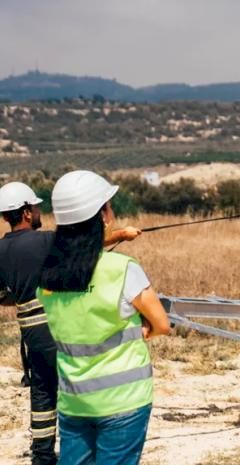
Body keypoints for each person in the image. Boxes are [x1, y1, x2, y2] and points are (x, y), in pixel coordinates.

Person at [0, 181, 142, 465]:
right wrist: (122, 236)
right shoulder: (45, 241)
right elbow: (81, 248)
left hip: (30, 332)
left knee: (42, 390)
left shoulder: (0, 251)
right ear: (26, 212)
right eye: (37, 207)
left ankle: (42, 455)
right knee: (72, 386)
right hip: (56, 325)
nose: (40, 212)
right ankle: (84, 447)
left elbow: (3, 297)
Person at [36, 171, 170, 465]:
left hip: (74, 400)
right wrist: (143, 331)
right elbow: (162, 324)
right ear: (103, 215)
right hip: (124, 400)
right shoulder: (121, 269)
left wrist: (120, 235)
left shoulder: (48, 276)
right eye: (108, 205)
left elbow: (78, 257)